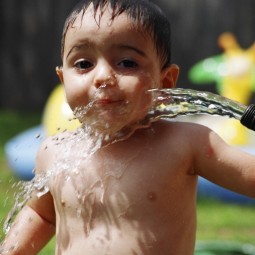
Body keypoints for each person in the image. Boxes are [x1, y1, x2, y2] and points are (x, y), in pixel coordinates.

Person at [2, 0, 255, 254]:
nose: (102, 77)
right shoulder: (54, 152)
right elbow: (42, 214)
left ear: (165, 82)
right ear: (63, 78)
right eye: (83, 64)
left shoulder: (185, 144)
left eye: (126, 63)